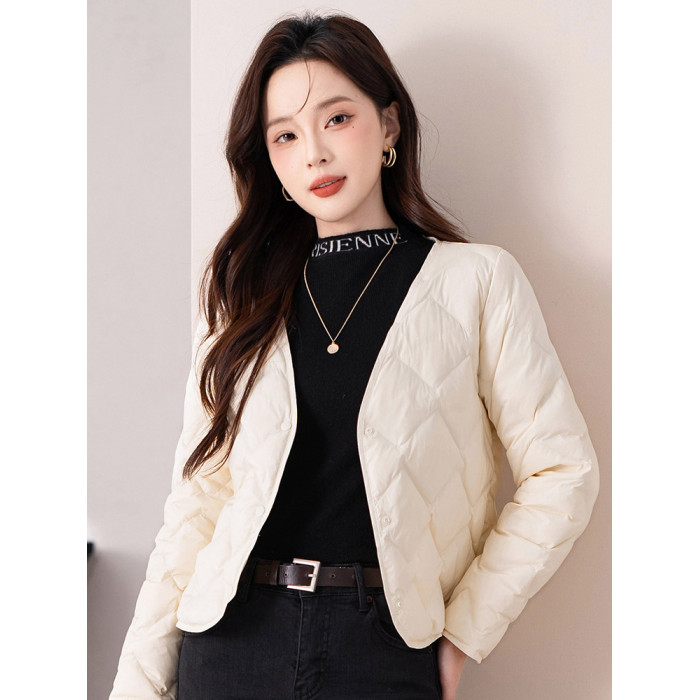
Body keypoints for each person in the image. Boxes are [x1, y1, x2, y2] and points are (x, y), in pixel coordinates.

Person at [110, 12, 599, 700]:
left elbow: (563, 473)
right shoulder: (240, 295)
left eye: (337, 119)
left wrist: (465, 632)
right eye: (286, 135)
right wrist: (138, 684)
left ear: (389, 126)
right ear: (270, 161)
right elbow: (199, 500)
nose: (314, 153)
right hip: (230, 644)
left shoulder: (477, 281)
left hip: (380, 649)